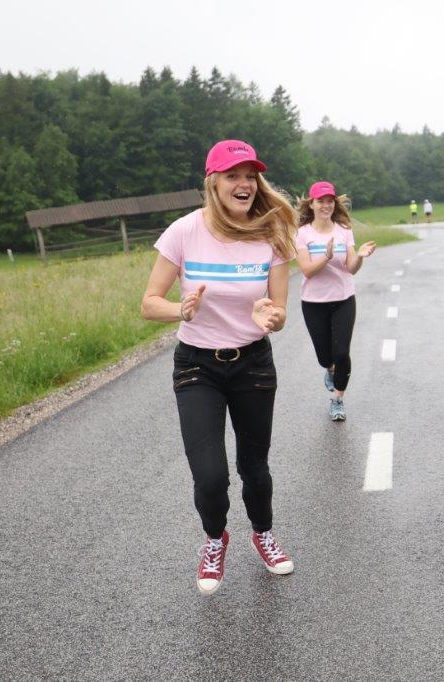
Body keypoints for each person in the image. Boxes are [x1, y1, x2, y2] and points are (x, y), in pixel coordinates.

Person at [141, 139, 298, 595]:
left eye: (250, 176)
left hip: (252, 363)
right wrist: (181, 310)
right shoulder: (183, 232)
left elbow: (281, 312)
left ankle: (263, 534)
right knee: (210, 474)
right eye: (234, 176)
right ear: (213, 182)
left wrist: (272, 317)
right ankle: (215, 538)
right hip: (197, 366)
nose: (244, 184)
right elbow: (149, 303)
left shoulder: (272, 234)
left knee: (254, 466)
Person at [295, 181, 377, 421]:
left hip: (343, 299)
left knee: (341, 353)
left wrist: (359, 256)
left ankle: (337, 399)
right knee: (325, 357)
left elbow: (351, 268)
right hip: (313, 303)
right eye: (321, 201)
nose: (326, 205)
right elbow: (307, 270)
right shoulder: (302, 233)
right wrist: (326, 256)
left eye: (330, 201)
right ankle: (330, 369)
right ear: (311, 204)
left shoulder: (343, 230)